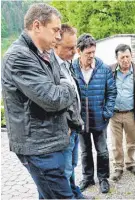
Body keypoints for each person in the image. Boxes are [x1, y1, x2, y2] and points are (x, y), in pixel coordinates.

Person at [1, 3, 79, 199]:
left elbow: (59, 82)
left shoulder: (46, 52)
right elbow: (53, 98)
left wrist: (63, 85)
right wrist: (69, 86)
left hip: (51, 141)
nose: (58, 37)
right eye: (55, 30)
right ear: (37, 25)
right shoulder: (18, 57)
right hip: (39, 147)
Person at [73, 33, 117, 193]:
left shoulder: (104, 69)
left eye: (93, 52)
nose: (92, 55)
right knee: (85, 151)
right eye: (88, 53)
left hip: (99, 119)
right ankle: (88, 178)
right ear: (79, 51)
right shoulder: (71, 69)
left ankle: (103, 178)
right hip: (81, 120)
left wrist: (107, 112)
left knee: (102, 151)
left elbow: (112, 92)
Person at [53, 24, 86, 199]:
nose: (75, 51)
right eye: (70, 47)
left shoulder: (67, 64)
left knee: (72, 166)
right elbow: (53, 100)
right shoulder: (51, 68)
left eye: (75, 47)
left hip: (74, 127)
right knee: (63, 171)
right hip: (63, 131)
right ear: (55, 45)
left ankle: (75, 193)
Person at [109, 44, 135, 181]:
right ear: (117, 58)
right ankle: (118, 167)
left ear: (131, 56)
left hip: (131, 113)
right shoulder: (110, 71)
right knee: (116, 143)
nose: (125, 60)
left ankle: (130, 163)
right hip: (114, 114)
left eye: (127, 56)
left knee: (131, 141)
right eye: (122, 57)